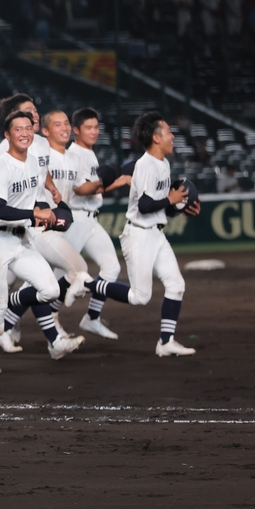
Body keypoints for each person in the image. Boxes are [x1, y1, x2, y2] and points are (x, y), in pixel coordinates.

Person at [74, 112, 201, 356]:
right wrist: (171, 199)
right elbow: (144, 206)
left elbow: (161, 206)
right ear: (156, 137)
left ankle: (166, 343)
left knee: (176, 284)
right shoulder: (145, 165)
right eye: (168, 132)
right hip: (139, 236)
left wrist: (179, 207)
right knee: (139, 297)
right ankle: (88, 282)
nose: (172, 136)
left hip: (156, 233)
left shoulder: (162, 163)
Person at [0, 112, 82, 374]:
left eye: (28, 128)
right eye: (18, 129)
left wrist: (48, 212)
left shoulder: (33, 162)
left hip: (21, 238)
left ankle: (13, 300)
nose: (24, 133)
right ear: (7, 135)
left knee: (51, 290)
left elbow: (28, 203)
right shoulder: (1, 165)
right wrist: (34, 214)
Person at [65, 108, 132, 339]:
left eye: (96, 127)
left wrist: (115, 181)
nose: (94, 131)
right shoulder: (74, 155)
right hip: (75, 219)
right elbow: (81, 190)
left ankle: (91, 318)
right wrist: (116, 181)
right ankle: (10, 321)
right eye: (88, 127)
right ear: (76, 130)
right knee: (56, 280)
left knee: (111, 267)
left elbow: (95, 189)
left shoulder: (89, 153)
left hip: (90, 219)